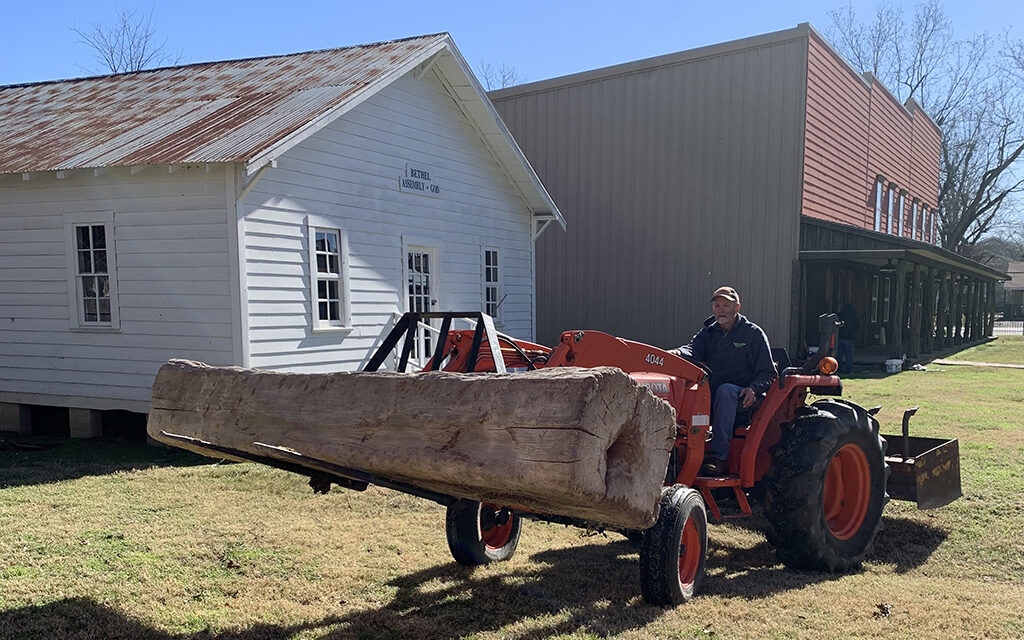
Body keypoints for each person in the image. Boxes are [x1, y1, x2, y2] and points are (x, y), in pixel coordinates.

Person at [672, 286, 777, 476]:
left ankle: (719, 457)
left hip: (742, 395)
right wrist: (677, 353)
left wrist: (753, 389)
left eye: (725, 305)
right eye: (717, 305)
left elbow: (768, 373)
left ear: (737, 308)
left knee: (725, 391)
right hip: (713, 391)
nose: (720, 309)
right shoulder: (708, 333)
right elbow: (692, 350)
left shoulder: (753, 334)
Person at [837, 302, 860, 375]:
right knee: (849, 355)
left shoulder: (840, 315)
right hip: (849, 338)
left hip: (840, 337)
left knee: (839, 354)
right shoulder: (854, 316)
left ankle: (838, 368)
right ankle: (848, 370)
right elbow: (857, 326)